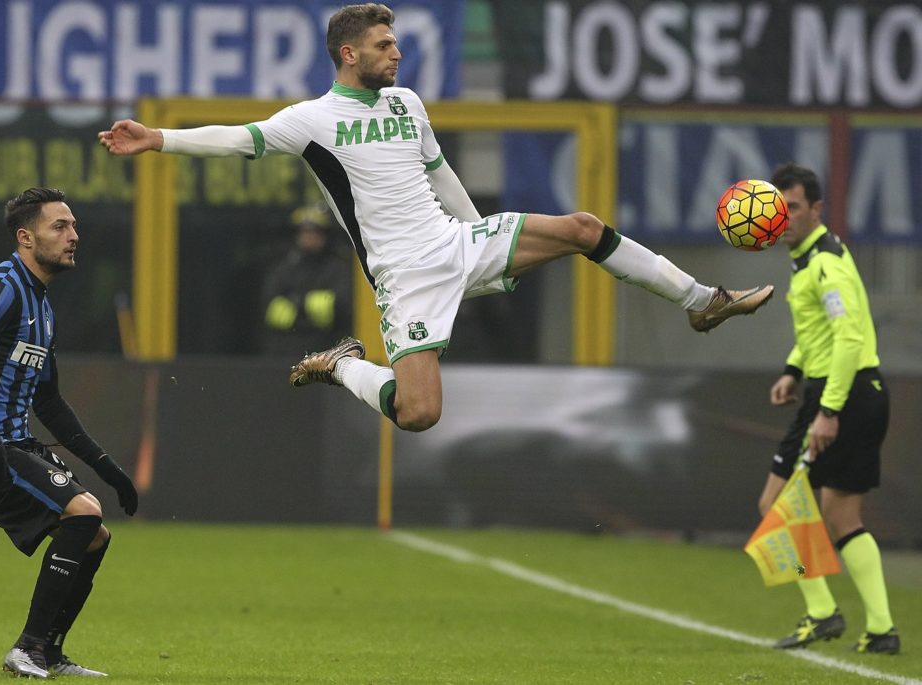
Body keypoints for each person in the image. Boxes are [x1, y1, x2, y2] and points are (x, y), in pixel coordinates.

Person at [98, 2, 773, 433]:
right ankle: (340, 367)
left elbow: (440, 174)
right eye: (386, 45)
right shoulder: (310, 121)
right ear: (349, 54)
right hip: (405, 276)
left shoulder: (407, 104)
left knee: (584, 227)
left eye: (397, 44)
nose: (397, 53)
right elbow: (239, 136)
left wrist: (485, 244)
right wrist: (162, 139)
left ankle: (702, 301)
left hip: (456, 240)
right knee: (420, 413)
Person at [0, 187, 139, 678]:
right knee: (83, 513)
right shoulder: (1, 287)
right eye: (60, 227)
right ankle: (25, 648)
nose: (74, 236)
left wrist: (108, 468)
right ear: (26, 238)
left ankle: (48, 652)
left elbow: (49, 401)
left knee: (94, 535)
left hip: (14, 444)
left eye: (73, 226)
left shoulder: (42, 307)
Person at [758, 164, 899, 654]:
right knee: (841, 516)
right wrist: (793, 370)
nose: (783, 217)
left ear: (816, 209)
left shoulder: (825, 262)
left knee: (775, 508)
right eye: (778, 208)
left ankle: (821, 612)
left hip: (841, 396)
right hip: (863, 391)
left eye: (792, 207)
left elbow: (849, 336)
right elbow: (823, 333)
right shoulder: (813, 258)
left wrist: (828, 410)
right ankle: (881, 631)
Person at [259, 204, 352, 356]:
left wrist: (296, 303)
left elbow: (340, 307)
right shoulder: (283, 268)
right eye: (304, 232)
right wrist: (312, 307)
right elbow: (271, 311)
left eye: (315, 232)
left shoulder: (338, 268)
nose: (309, 237)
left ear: (326, 236)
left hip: (327, 353)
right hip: (285, 353)